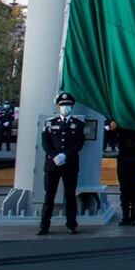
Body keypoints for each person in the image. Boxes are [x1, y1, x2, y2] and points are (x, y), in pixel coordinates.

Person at [37, 92, 86, 235]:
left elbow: (79, 143)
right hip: (52, 165)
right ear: (58, 107)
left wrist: (65, 154)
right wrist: (54, 156)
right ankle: (44, 226)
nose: (65, 107)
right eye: (63, 105)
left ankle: (71, 224)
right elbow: (45, 142)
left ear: (72, 106)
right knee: (49, 196)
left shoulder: (78, 124)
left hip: (70, 164)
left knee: (70, 195)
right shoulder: (50, 123)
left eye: (68, 105)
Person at [113, 122, 135, 226]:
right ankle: (125, 217)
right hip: (123, 155)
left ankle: (133, 217)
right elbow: (110, 134)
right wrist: (112, 127)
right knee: (124, 187)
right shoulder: (120, 119)